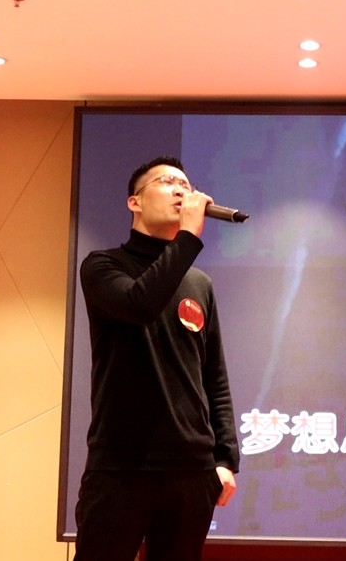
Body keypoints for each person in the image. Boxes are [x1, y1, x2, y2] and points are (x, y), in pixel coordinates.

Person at [74, 155, 240, 561]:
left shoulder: (198, 283)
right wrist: (188, 238)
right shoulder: (103, 266)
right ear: (134, 202)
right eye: (168, 182)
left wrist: (225, 459)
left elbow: (213, 377)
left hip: (192, 470)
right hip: (122, 465)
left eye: (186, 185)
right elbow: (140, 303)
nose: (181, 190)